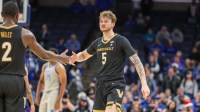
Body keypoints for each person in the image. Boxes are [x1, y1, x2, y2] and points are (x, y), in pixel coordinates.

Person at [0, 2, 75, 112]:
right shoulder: (25, 34)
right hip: (15, 80)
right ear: (17, 15)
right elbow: (44, 55)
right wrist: (60, 57)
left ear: (1, 14)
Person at [71, 10, 150, 112]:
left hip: (115, 84)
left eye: (106, 21)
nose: (103, 23)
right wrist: (76, 57)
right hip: (100, 85)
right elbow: (84, 55)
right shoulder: (97, 42)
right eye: (101, 21)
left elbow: (137, 61)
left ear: (113, 23)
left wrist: (144, 83)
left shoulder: (121, 40)